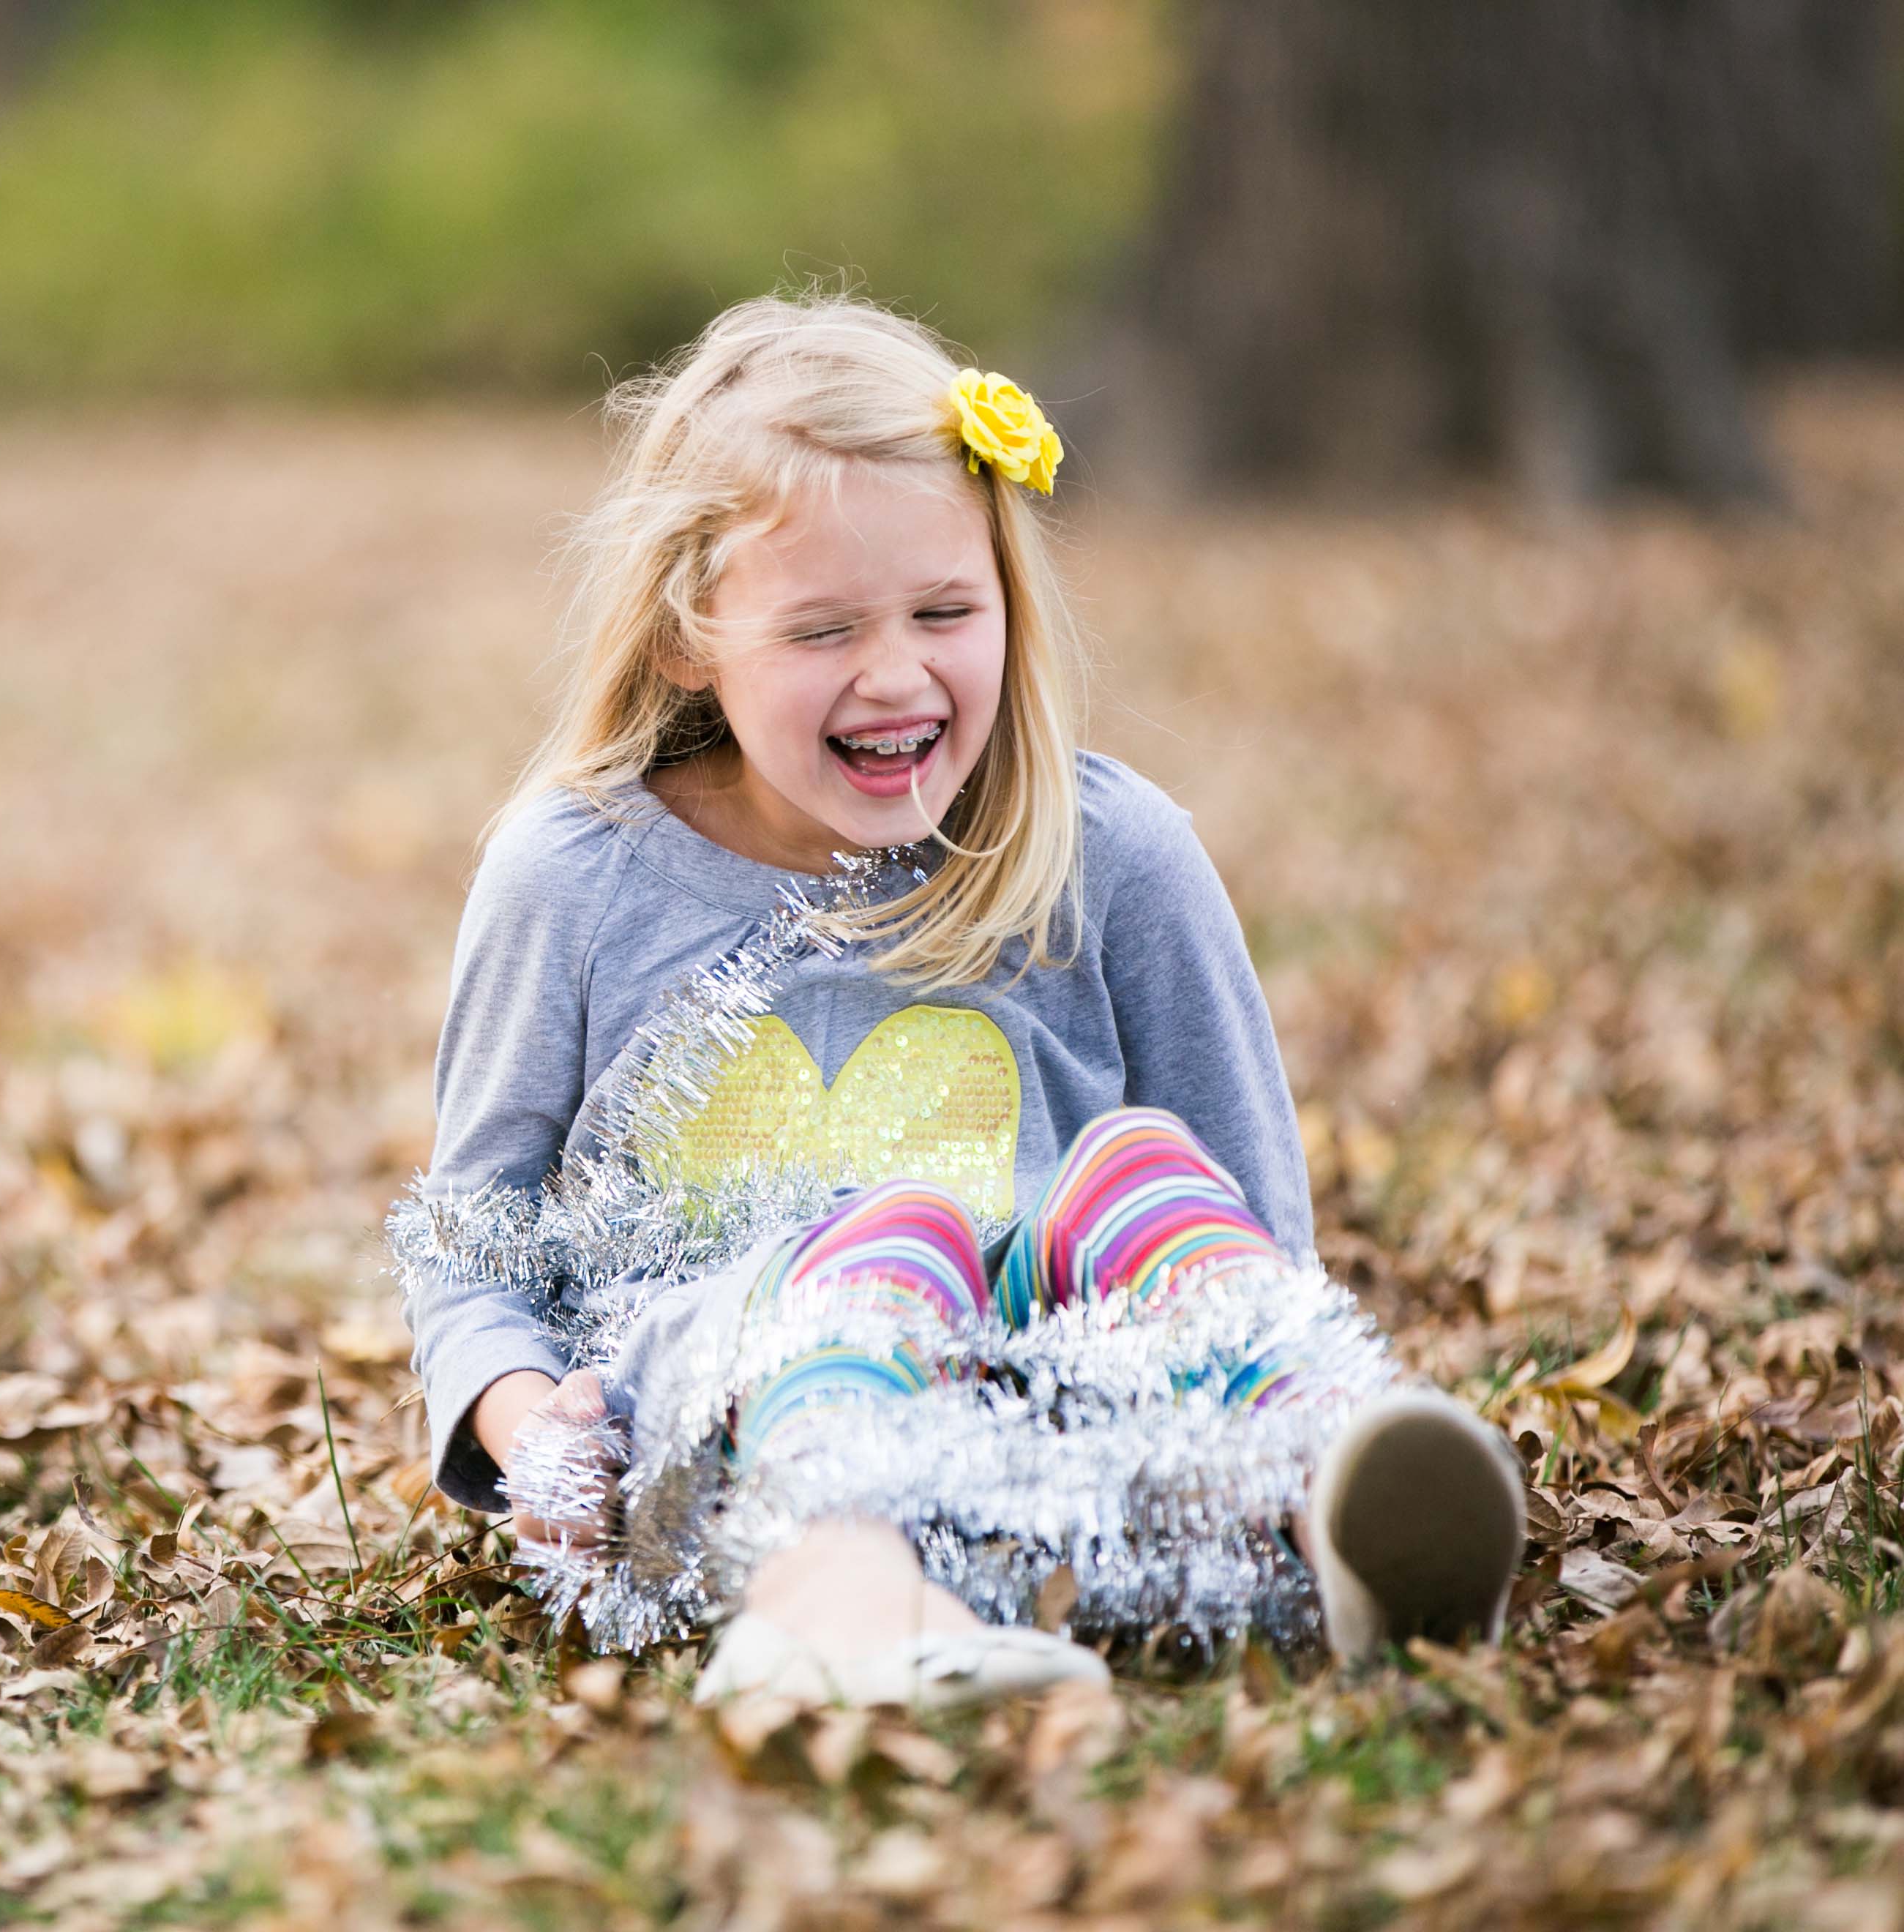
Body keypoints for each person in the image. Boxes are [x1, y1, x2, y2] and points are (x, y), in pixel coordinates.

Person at [386, 291, 1527, 1707]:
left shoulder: (1113, 857)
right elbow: (473, 1247)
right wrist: (527, 1427)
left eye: (945, 612)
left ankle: (1340, 1494)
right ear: (690, 636)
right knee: (894, 1233)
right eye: (822, 630)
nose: (897, 674)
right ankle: (843, 1606)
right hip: (724, 1441)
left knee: (1141, 1173)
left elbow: (1253, 1229)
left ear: (1009, 600)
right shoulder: (576, 877)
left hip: (1062, 1444)